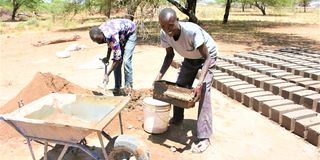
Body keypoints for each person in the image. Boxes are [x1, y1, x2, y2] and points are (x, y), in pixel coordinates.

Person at [154, 8, 218, 153]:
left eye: (170, 25)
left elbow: (207, 58)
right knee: (180, 86)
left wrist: (199, 83)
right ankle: (177, 118)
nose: (167, 29)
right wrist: (159, 76)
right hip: (190, 57)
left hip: (208, 57)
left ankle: (204, 137)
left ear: (177, 21)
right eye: (163, 26)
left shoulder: (191, 31)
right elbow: (169, 56)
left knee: (203, 93)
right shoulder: (164, 34)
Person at [89, 18, 137, 94]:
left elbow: (117, 58)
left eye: (98, 39)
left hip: (130, 32)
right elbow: (110, 43)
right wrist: (107, 57)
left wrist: (107, 74)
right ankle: (117, 87)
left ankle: (128, 88)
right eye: (95, 41)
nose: (98, 42)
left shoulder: (112, 34)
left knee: (126, 61)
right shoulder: (101, 32)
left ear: (101, 33)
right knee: (116, 62)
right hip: (120, 34)